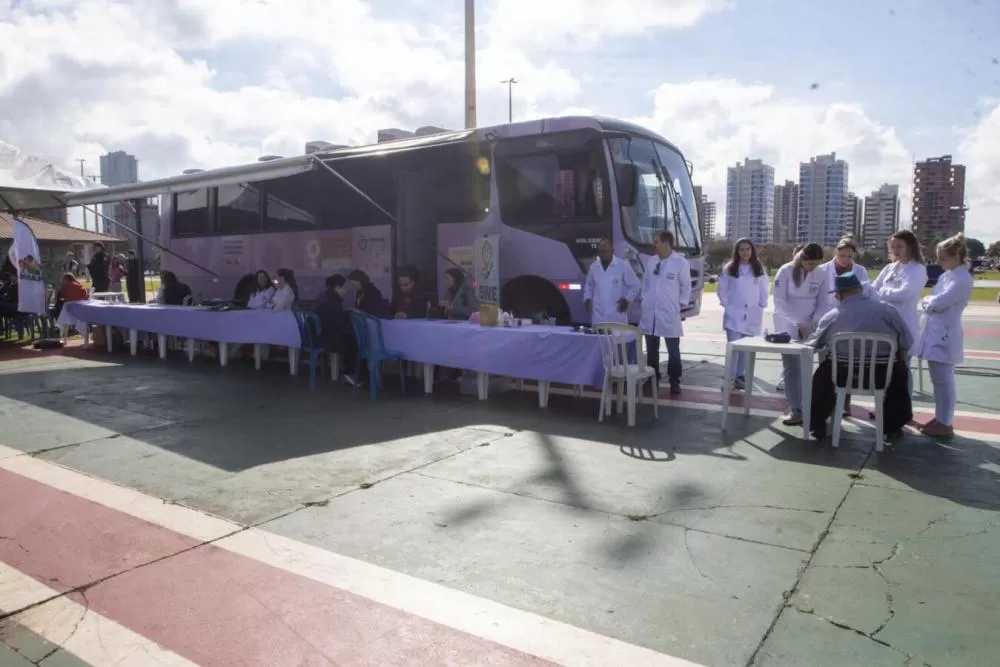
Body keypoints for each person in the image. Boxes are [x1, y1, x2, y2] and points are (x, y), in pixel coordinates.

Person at [806, 274, 913, 441]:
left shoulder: (832, 316)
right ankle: (893, 426)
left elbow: (814, 344)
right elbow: (907, 342)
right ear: (861, 290)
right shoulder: (887, 310)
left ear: (838, 294)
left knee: (824, 371)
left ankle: (817, 422)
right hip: (882, 376)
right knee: (899, 370)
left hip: (843, 376)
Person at [914, 233, 974, 438]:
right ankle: (940, 418)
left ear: (956, 257)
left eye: (942, 258)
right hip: (936, 331)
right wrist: (930, 302)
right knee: (937, 380)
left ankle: (945, 422)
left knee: (944, 380)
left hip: (946, 334)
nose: (938, 262)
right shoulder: (946, 276)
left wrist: (930, 302)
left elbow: (936, 302)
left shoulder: (962, 280)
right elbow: (929, 300)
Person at [772, 242, 826, 426]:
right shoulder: (786, 271)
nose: (813, 267)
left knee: (806, 366)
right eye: (810, 263)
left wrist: (812, 323)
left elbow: (823, 302)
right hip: (787, 322)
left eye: (817, 263)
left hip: (811, 325)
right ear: (802, 258)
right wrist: (798, 324)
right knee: (791, 367)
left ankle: (808, 406)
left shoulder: (821, 273)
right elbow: (779, 302)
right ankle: (795, 408)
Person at [871, 230, 927, 391]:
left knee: (902, 368)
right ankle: (883, 408)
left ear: (910, 247)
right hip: (883, 326)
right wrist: (882, 293)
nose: (895, 250)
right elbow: (873, 289)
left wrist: (882, 293)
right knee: (883, 368)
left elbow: (904, 294)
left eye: (899, 246)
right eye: (892, 246)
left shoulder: (917, 269)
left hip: (904, 325)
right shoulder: (890, 268)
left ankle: (903, 410)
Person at [638, 230, 691, 396]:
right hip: (650, 312)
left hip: (669, 312)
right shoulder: (651, 261)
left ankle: (674, 380)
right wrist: (644, 298)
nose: (653, 245)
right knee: (652, 349)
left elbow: (686, 286)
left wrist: (680, 305)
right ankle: (653, 378)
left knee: (673, 350)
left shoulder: (680, 263)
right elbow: (646, 282)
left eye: (656, 242)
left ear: (666, 243)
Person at [718, 238, 770, 391]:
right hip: (734, 313)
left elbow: (764, 287)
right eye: (741, 249)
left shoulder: (758, 268)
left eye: (748, 249)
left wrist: (762, 303)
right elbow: (722, 288)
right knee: (733, 348)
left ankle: (741, 377)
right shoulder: (730, 268)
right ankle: (730, 378)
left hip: (753, 313)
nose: (745, 252)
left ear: (752, 250)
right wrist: (727, 305)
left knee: (746, 349)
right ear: (737, 251)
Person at [313, 274, 360, 386]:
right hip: (326, 338)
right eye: (344, 287)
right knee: (353, 340)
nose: (345, 290)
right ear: (337, 287)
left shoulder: (323, 297)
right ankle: (349, 373)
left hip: (316, 335)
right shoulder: (333, 301)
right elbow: (338, 323)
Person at [583, 238, 640, 326]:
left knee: (617, 339)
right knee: (599, 339)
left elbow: (635, 285)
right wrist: (587, 298)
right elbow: (589, 285)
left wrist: (627, 299)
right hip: (598, 315)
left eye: (605, 251)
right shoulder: (594, 267)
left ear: (612, 251)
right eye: (600, 252)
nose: (602, 254)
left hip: (616, 315)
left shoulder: (623, 265)